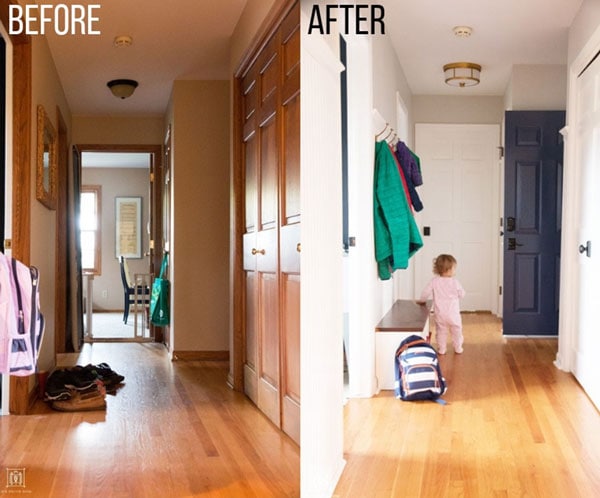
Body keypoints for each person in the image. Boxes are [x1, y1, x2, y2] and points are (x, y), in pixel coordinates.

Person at [417, 254, 465, 354]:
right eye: (454, 268)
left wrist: (422, 300)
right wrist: (457, 296)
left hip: (440, 314)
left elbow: (425, 292)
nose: (455, 271)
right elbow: (462, 294)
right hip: (453, 314)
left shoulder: (434, 281)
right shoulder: (455, 282)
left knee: (441, 331)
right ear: (449, 269)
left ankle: (442, 349)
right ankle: (458, 348)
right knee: (457, 331)